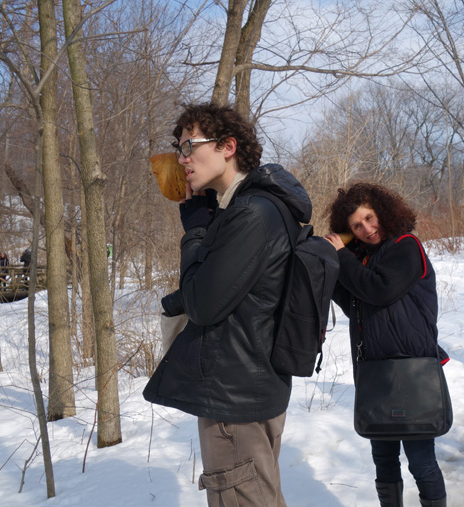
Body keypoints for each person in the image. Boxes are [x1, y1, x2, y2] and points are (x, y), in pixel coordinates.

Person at [143, 102, 313, 506]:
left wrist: (196, 232)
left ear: (228, 146)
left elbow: (202, 304)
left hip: (234, 399)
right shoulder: (247, 208)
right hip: (248, 384)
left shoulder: (253, 213)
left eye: (189, 146)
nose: (182, 159)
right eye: (179, 149)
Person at [324, 183, 449, 507]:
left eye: (369, 217)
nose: (367, 228)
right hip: (375, 375)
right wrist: (332, 263)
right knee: (384, 462)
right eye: (356, 226)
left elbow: (380, 289)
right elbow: (355, 302)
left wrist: (342, 257)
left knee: (421, 463)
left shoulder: (406, 247)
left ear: (383, 211)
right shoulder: (362, 260)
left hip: (413, 373)